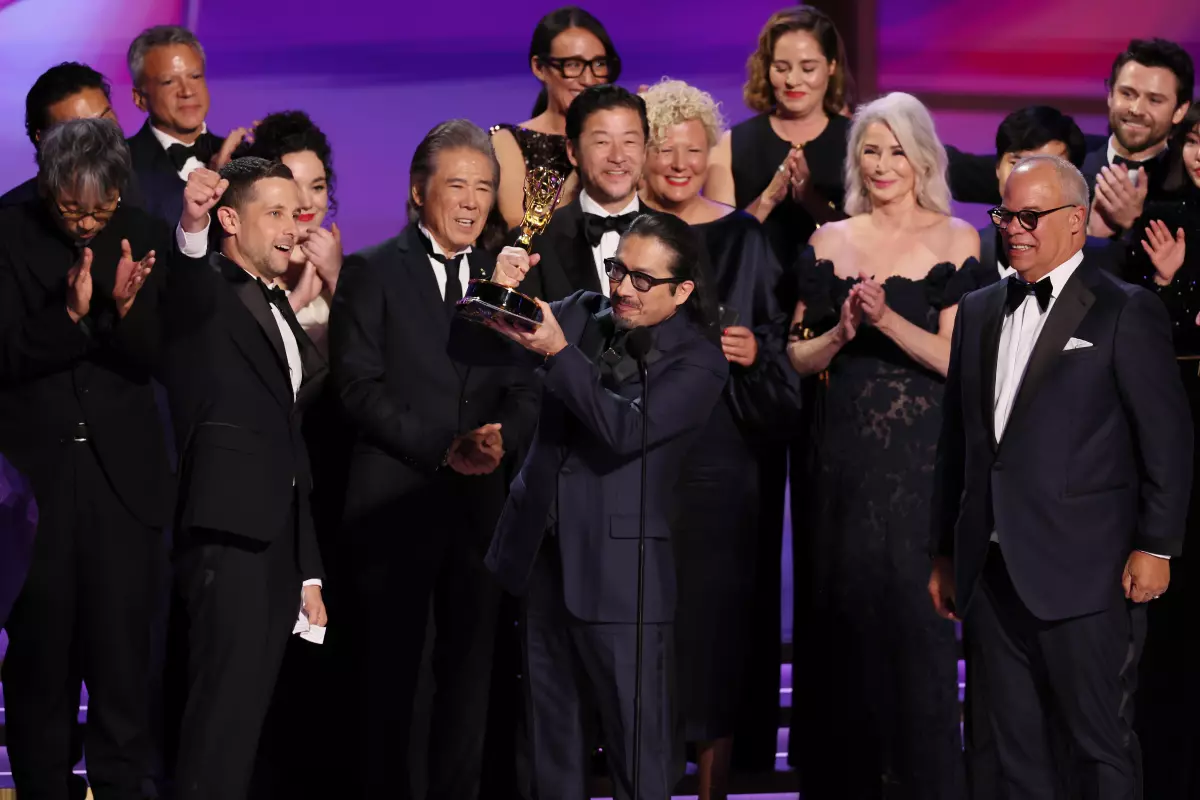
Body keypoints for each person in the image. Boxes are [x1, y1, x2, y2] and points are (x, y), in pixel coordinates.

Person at [930, 154, 1192, 799]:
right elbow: (957, 445)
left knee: (1099, 744)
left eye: (1030, 215)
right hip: (990, 573)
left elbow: (1168, 440)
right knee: (1012, 751)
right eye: (1005, 215)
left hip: (1088, 571)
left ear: (1076, 222)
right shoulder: (978, 310)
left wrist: (1157, 546)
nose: (1013, 228)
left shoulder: (1124, 310)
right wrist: (943, 551)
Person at [451, 213, 728, 800]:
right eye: (619, 271)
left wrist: (558, 354)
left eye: (643, 280)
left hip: (623, 578)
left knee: (639, 752)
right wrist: (491, 288)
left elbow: (624, 431)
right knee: (549, 749)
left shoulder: (700, 361)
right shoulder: (580, 311)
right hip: (541, 559)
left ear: (682, 291)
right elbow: (471, 343)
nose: (623, 288)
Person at [328, 119, 539, 800]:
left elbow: (526, 383)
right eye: (458, 185)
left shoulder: (503, 277)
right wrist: (442, 448)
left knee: (470, 683)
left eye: (485, 187)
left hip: (481, 519)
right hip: (394, 510)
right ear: (419, 192)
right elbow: (357, 386)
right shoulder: (370, 271)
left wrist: (504, 434)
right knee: (393, 687)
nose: (474, 201)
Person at [785, 92, 978, 799]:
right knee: (846, 625)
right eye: (872, 148)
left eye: (899, 149)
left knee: (915, 623)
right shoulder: (829, 240)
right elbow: (795, 357)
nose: (885, 162)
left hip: (923, 461)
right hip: (840, 463)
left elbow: (959, 360)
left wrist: (886, 319)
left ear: (923, 155)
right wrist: (839, 333)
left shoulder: (957, 238)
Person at [0, 117, 187, 800]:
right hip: (35, 487)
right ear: (47, 187)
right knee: (40, 664)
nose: (87, 223)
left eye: (99, 208)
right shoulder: (8, 231)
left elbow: (160, 358)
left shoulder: (142, 230)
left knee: (123, 663)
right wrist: (70, 318)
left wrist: (124, 310)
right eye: (72, 209)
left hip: (125, 486)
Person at [638, 77, 799, 800]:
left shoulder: (744, 238)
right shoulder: (625, 234)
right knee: (646, 629)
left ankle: (712, 792)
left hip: (721, 459)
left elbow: (774, 348)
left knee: (717, 632)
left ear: (712, 154)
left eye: (693, 150)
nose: (679, 162)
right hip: (637, 456)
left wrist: (754, 352)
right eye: (665, 148)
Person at [162, 157, 328, 800]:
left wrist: (307, 567)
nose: (293, 227)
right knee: (217, 726)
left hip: (274, 545)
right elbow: (185, 290)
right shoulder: (211, 292)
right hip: (225, 537)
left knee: (249, 727)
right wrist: (191, 228)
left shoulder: (278, 303)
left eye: (298, 212)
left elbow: (291, 443)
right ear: (230, 218)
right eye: (276, 213)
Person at [1123, 101, 1200, 798]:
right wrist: (1173, 285)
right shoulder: (1165, 215)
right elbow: (1145, 329)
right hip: (1177, 439)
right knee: (1170, 640)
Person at [706, 6, 852, 274]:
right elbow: (718, 249)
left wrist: (813, 202)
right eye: (781, 68)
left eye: (808, 68)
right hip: (754, 303)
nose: (792, 80)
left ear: (831, 66)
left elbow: (872, 242)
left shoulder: (857, 141)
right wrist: (767, 200)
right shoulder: (731, 145)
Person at [515, 83, 651, 302]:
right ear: (572, 152)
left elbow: (699, 332)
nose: (617, 156)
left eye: (629, 141)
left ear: (645, 150)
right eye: (602, 142)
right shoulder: (536, 241)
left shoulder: (678, 238)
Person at [491, 6, 620, 229]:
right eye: (573, 65)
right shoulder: (509, 141)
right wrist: (584, 163)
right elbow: (518, 230)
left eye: (599, 64)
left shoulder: (623, 142)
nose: (588, 79)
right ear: (539, 68)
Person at [235, 110, 342, 352]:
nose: (306, 201)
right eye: (292, 186)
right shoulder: (247, 263)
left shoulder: (343, 266)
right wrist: (299, 298)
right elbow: (239, 352)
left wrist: (336, 278)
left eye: (317, 187)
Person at [977, 106, 1123, 280]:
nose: (1028, 178)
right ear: (997, 168)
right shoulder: (969, 254)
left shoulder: (1106, 260)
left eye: (1047, 167)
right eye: (1016, 163)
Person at [125, 25, 244, 225]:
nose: (187, 91)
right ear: (139, 99)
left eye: (195, 76)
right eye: (169, 81)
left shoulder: (244, 158)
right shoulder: (120, 166)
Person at [1086, 38, 1194, 238]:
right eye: (1127, 94)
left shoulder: (1189, 190)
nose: (1136, 109)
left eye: (1154, 100)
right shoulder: (1069, 164)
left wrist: (1133, 225)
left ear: (1180, 110)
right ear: (1110, 95)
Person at [0, 62, 140, 208]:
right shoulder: (9, 216)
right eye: (81, 130)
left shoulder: (147, 186)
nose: (101, 137)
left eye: (106, 120)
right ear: (42, 139)